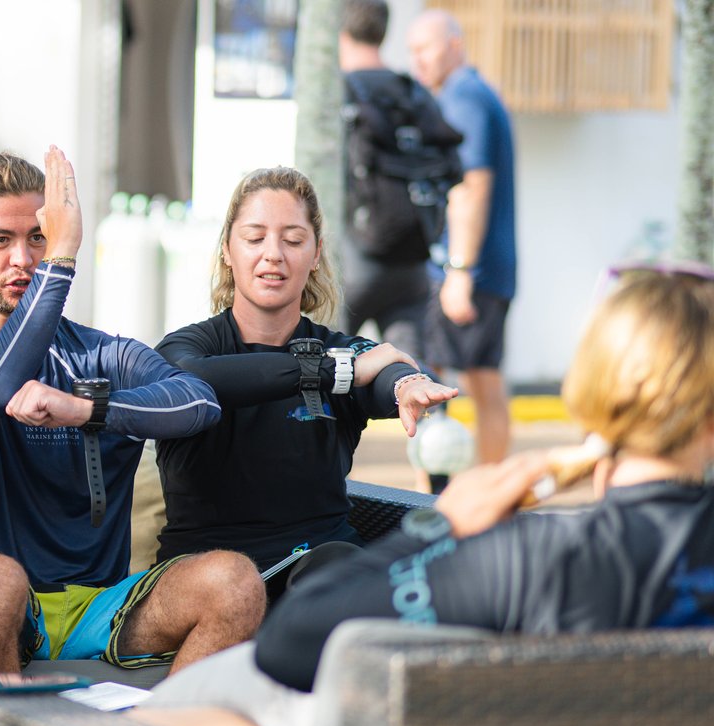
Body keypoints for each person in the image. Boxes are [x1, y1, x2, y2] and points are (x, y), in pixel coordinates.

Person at [143, 264, 714, 726]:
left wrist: (444, 525)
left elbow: (294, 640)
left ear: (594, 387)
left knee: (164, 721)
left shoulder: (534, 560)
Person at [0, 147, 266, 677]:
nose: (22, 259)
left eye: (38, 238)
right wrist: (61, 258)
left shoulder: (98, 355)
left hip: (100, 607)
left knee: (234, 581)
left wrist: (86, 409)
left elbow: (199, 402)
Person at [153, 166, 457, 574]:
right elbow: (194, 378)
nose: (273, 253)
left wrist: (405, 385)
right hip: (207, 576)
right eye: (255, 238)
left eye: (293, 239)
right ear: (227, 249)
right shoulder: (186, 349)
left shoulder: (343, 352)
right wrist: (340, 371)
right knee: (232, 584)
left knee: (343, 566)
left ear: (315, 255)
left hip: (317, 568)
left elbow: (385, 373)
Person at [408, 9, 518, 469]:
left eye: (426, 49)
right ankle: (485, 495)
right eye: (412, 52)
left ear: (455, 44)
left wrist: (458, 272)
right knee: (481, 381)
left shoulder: (464, 97)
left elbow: (471, 185)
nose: (418, 62)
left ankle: (466, 502)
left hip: (469, 270)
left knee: (464, 385)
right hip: (480, 268)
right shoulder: (470, 93)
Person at [338, 0, 462, 362]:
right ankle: (430, 419)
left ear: (339, 32)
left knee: (331, 376)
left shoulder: (339, 92)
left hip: (353, 262)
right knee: (410, 375)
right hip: (411, 259)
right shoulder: (414, 92)